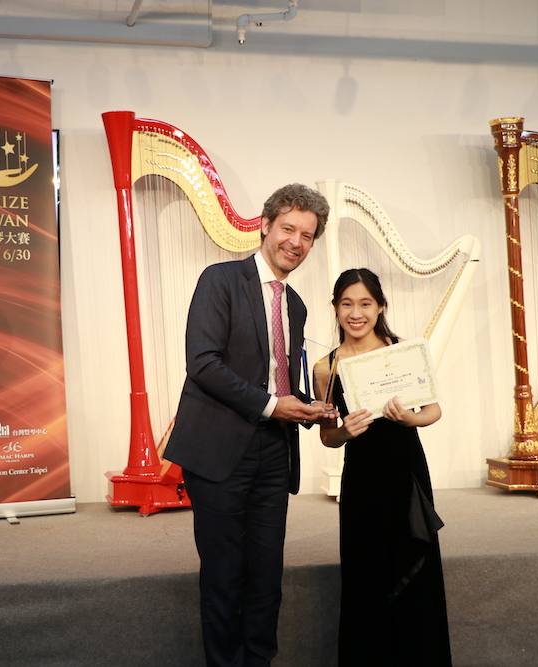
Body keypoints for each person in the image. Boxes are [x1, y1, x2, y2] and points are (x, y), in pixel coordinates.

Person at [163, 183, 336, 667]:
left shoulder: (295, 304)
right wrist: (272, 406)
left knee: (266, 578)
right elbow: (203, 363)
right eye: (288, 229)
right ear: (264, 226)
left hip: (274, 453)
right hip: (219, 451)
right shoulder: (220, 280)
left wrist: (312, 406)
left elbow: (281, 378)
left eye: (307, 235)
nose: (296, 242)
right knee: (224, 577)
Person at [313, 268, 452, 666]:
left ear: (380, 307)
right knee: (366, 573)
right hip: (362, 478)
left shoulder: (403, 351)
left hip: (406, 471)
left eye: (365, 303)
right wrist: (346, 431)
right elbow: (327, 437)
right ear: (336, 308)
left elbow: (433, 410)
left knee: (414, 566)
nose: (356, 313)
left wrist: (410, 419)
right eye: (347, 304)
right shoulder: (327, 367)